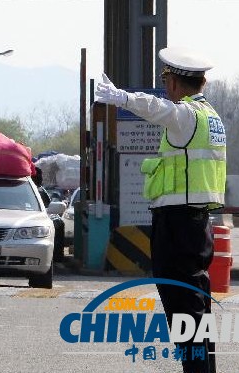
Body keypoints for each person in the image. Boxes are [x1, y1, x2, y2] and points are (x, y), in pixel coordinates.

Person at [95, 47, 225, 373]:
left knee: (183, 309)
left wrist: (121, 98)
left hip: (178, 225)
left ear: (174, 83)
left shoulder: (186, 116)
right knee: (195, 308)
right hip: (197, 223)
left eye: (166, 78)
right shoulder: (211, 117)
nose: (165, 87)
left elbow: (158, 110)